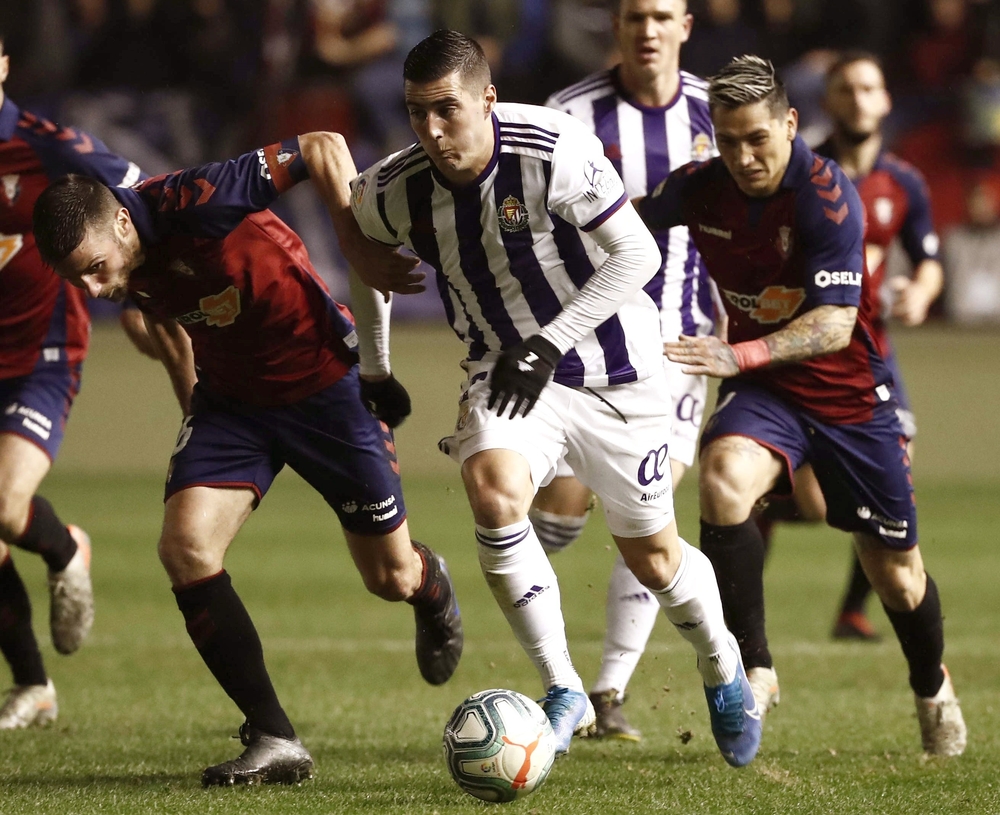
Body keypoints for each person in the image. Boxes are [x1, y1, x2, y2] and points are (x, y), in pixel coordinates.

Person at [349, 29, 762, 767]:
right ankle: (563, 687)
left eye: (448, 110)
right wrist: (375, 370)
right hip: (505, 376)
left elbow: (638, 253)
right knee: (493, 487)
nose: (433, 131)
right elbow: (365, 257)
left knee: (656, 559)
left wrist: (547, 344)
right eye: (418, 113)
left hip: (618, 372)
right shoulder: (394, 186)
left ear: (488, 99)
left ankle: (721, 664)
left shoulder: (552, 147)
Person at [32, 131, 463, 785]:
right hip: (232, 405)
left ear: (122, 220)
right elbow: (175, 331)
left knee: (389, 577)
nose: (91, 289)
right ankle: (274, 736)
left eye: (94, 268)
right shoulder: (126, 276)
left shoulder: (196, 199)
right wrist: (199, 439)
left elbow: (322, 144)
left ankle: (432, 584)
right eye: (76, 279)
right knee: (185, 546)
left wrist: (355, 245)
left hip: (328, 387)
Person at [640, 54, 966, 757]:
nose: (744, 156)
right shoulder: (700, 188)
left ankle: (931, 685)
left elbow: (834, 324)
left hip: (850, 398)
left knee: (898, 578)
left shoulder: (826, 193)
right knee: (723, 480)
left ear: (790, 123)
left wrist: (740, 352)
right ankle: (754, 668)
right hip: (767, 394)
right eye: (728, 141)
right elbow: (623, 228)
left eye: (757, 138)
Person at [538, 0, 720, 740]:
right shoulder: (569, 114)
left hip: (680, 346)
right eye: (635, 15)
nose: (648, 29)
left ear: (686, 25)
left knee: (645, 520)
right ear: (615, 25)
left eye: (662, 15)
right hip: (592, 342)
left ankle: (602, 693)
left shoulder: (718, 113)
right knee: (556, 511)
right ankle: (533, 629)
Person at [755, 51, 946, 642]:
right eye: (847, 89)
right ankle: (743, 602)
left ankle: (852, 612)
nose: (860, 99)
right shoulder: (797, 171)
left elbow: (931, 261)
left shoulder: (904, 181)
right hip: (803, 352)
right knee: (805, 502)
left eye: (870, 88)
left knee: (898, 471)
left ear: (886, 100)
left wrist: (921, 290)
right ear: (828, 100)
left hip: (871, 356)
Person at [0, 28, 146, 729]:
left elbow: (135, 191)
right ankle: (33, 686)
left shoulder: (44, 143)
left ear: (2, 63)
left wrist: (144, 289)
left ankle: (66, 546)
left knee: (3, 505)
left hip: (40, 353)